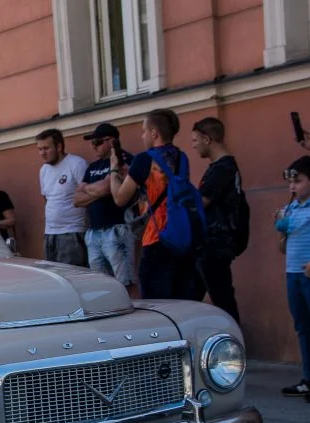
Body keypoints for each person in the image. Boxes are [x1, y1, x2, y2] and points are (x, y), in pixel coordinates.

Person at [110, 108, 198, 300]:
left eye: (144, 131)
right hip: (182, 237)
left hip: (157, 238)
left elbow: (119, 198)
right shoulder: (182, 158)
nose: (142, 136)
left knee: (156, 304)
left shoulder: (144, 159)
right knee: (181, 302)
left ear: (154, 133)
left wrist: (113, 171)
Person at [275, 155, 310, 403]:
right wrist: (282, 229)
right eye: (290, 182)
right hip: (294, 275)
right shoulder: (292, 208)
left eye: (298, 181)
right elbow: (284, 248)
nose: (292, 187)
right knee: (303, 328)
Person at [72, 122, 138, 297]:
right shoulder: (92, 167)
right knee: (100, 284)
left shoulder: (124, 160)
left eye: (97, 142)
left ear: (111, 140)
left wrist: (90, 189)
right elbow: (76, 199)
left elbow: (107, 189)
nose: (93, 147)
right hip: (94, 233)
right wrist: (98, 189)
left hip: (117, 229)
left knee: (125, 282)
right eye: (92, 143)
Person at [190, 117, 242, 323]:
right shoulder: (223, 167)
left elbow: (201, 202)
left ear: (207, 139)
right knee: (190, 296)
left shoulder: (222, 168)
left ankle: (235, 343)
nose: (193, 145)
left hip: (215, 244)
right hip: (210, 243)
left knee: (222, 300)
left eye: (195, 140)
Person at [37, 128, 89, 266]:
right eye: (40, 149)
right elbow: (46, 199)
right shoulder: (44, 170)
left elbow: (87, 195)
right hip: (50, 234)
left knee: (73, 277)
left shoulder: (77, 164)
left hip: (72, 233)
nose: (42, 153)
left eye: (46, 148)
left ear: (59, 146)